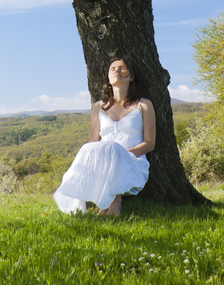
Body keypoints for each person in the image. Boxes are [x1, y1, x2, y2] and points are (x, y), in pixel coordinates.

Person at [53, 58, 155, 216]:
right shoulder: (99, 107)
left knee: (113, 149)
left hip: (132, 161)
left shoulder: (143, 105)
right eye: (113, 69)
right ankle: (106, 203)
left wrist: (122, 155)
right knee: (95, 148)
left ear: (131, 76)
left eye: (122, 68)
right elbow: (93, 144)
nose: (117, 71)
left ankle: (114, 204)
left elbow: (149, 143)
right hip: (103, 164)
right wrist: (111, 157)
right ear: (108, 77)